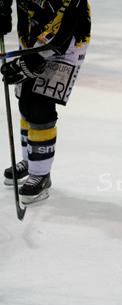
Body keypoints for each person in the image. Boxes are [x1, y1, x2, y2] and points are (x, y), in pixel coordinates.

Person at [0, 0, 91, 204]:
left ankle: (41, 174)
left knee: (40, 106)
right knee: (25, 102)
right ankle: (31, 160)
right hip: (33, 36)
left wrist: (31, 62)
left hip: (66, 43)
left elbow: (63, 28)